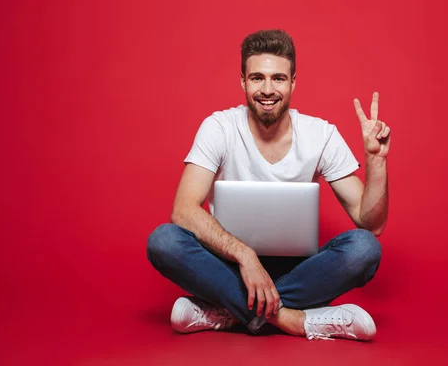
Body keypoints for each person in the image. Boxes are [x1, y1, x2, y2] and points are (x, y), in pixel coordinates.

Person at [147, 29, 391, 341]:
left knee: (364, 248)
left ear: (292, 83)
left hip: (298, 273)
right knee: (164, 241)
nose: (267, 89)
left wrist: (376, 161)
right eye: (257, 78)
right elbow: (183, 211)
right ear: (242, 81)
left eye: (278, 78)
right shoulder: (218, 127)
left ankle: (229, 310)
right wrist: (245, 256)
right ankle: (293, 319)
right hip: (230, 267)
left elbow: (372, 223)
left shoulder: (321, 134)